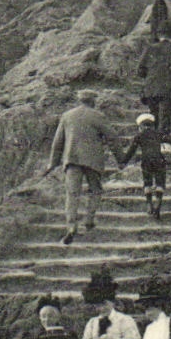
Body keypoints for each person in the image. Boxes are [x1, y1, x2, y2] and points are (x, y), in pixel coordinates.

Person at [47, 90, 126, 245]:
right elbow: (113, 138)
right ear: (93, 101)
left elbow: (58, 142)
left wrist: (53, 162)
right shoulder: (98, 116)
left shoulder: (67, 116)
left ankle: (71, 227)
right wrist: (120, 159)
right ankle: (89, 220)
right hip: (93, 160)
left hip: (72, 159)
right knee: (95, 190)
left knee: (72, 193)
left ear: (80, 100)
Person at [136, 33, 171, 137]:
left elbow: (140, 70)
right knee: (165, 117)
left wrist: (150, 77)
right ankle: (163, 142)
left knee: (153, 115)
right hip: (168, 88)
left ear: (159, 36)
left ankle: (154, 141)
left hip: (151, 88)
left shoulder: (149, 48)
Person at [122, 113, 170, 220]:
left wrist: (123, 162)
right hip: (160, 160)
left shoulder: (139, 136)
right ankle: (158, 201)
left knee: (147, 182)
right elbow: (169, 146)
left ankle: (149, 203)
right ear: (153, 125)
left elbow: (131, 151)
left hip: (146, 161)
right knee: (160, 182)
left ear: (141, 126)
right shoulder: (160, 134)